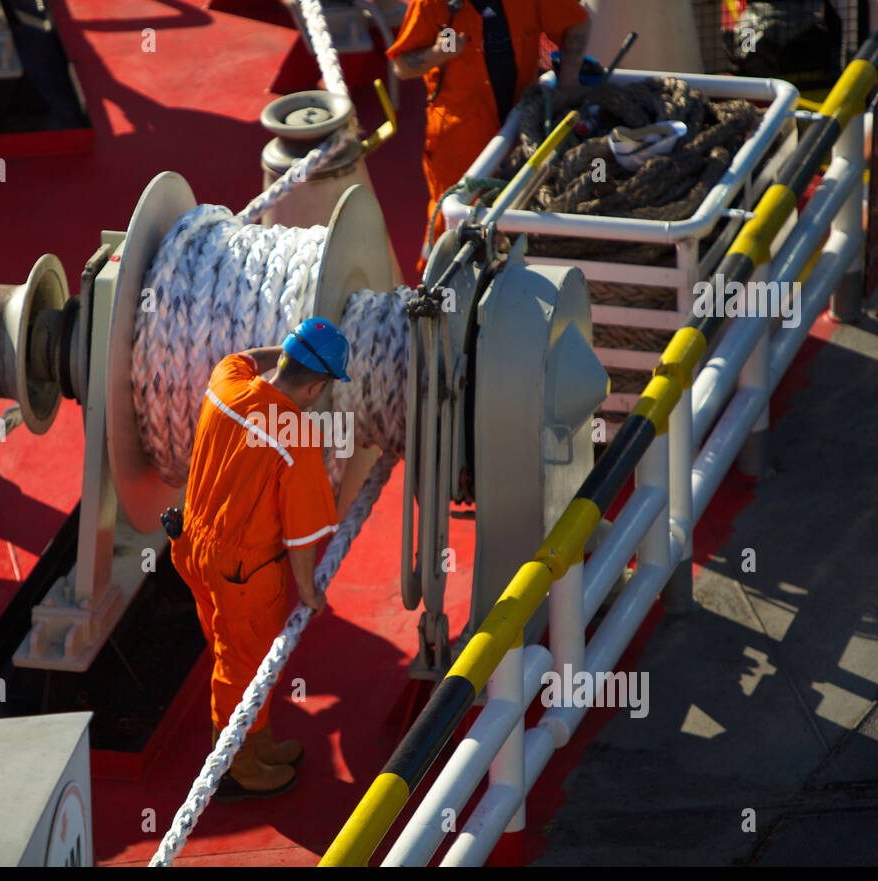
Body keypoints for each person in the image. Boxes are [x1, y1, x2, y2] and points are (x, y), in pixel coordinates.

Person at [171, 317, 352, 802]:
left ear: (287, 359)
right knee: (243, 664)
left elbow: (251, 354)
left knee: (228, 648)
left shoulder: (225, 382)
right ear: (316, 387)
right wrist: (310, 593)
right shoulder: (298, 439)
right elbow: (300, 537)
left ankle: (257, 739)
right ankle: (235, 765)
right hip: (244, 572)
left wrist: (297, 350)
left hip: (191, 545)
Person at [387, 0, 592, 271]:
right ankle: (439, 288)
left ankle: (510, 284)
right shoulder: (431, 5)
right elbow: (403, 65)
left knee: (521, 212)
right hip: (458, 140)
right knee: (450, 220)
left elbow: (577, 22)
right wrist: (438, 52)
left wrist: (567, 84)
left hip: (521, 129)